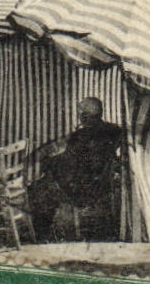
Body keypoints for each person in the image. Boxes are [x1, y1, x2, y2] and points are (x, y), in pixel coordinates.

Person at [28, 97, 125, 241]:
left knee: (38, 189)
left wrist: (49, 164)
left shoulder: (80, 136)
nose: (80, 117)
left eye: (81, 114)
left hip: (83, 190)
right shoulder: (114, 130)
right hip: (103, 185)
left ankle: (42, 236)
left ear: (85, 116)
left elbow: (68, 164)